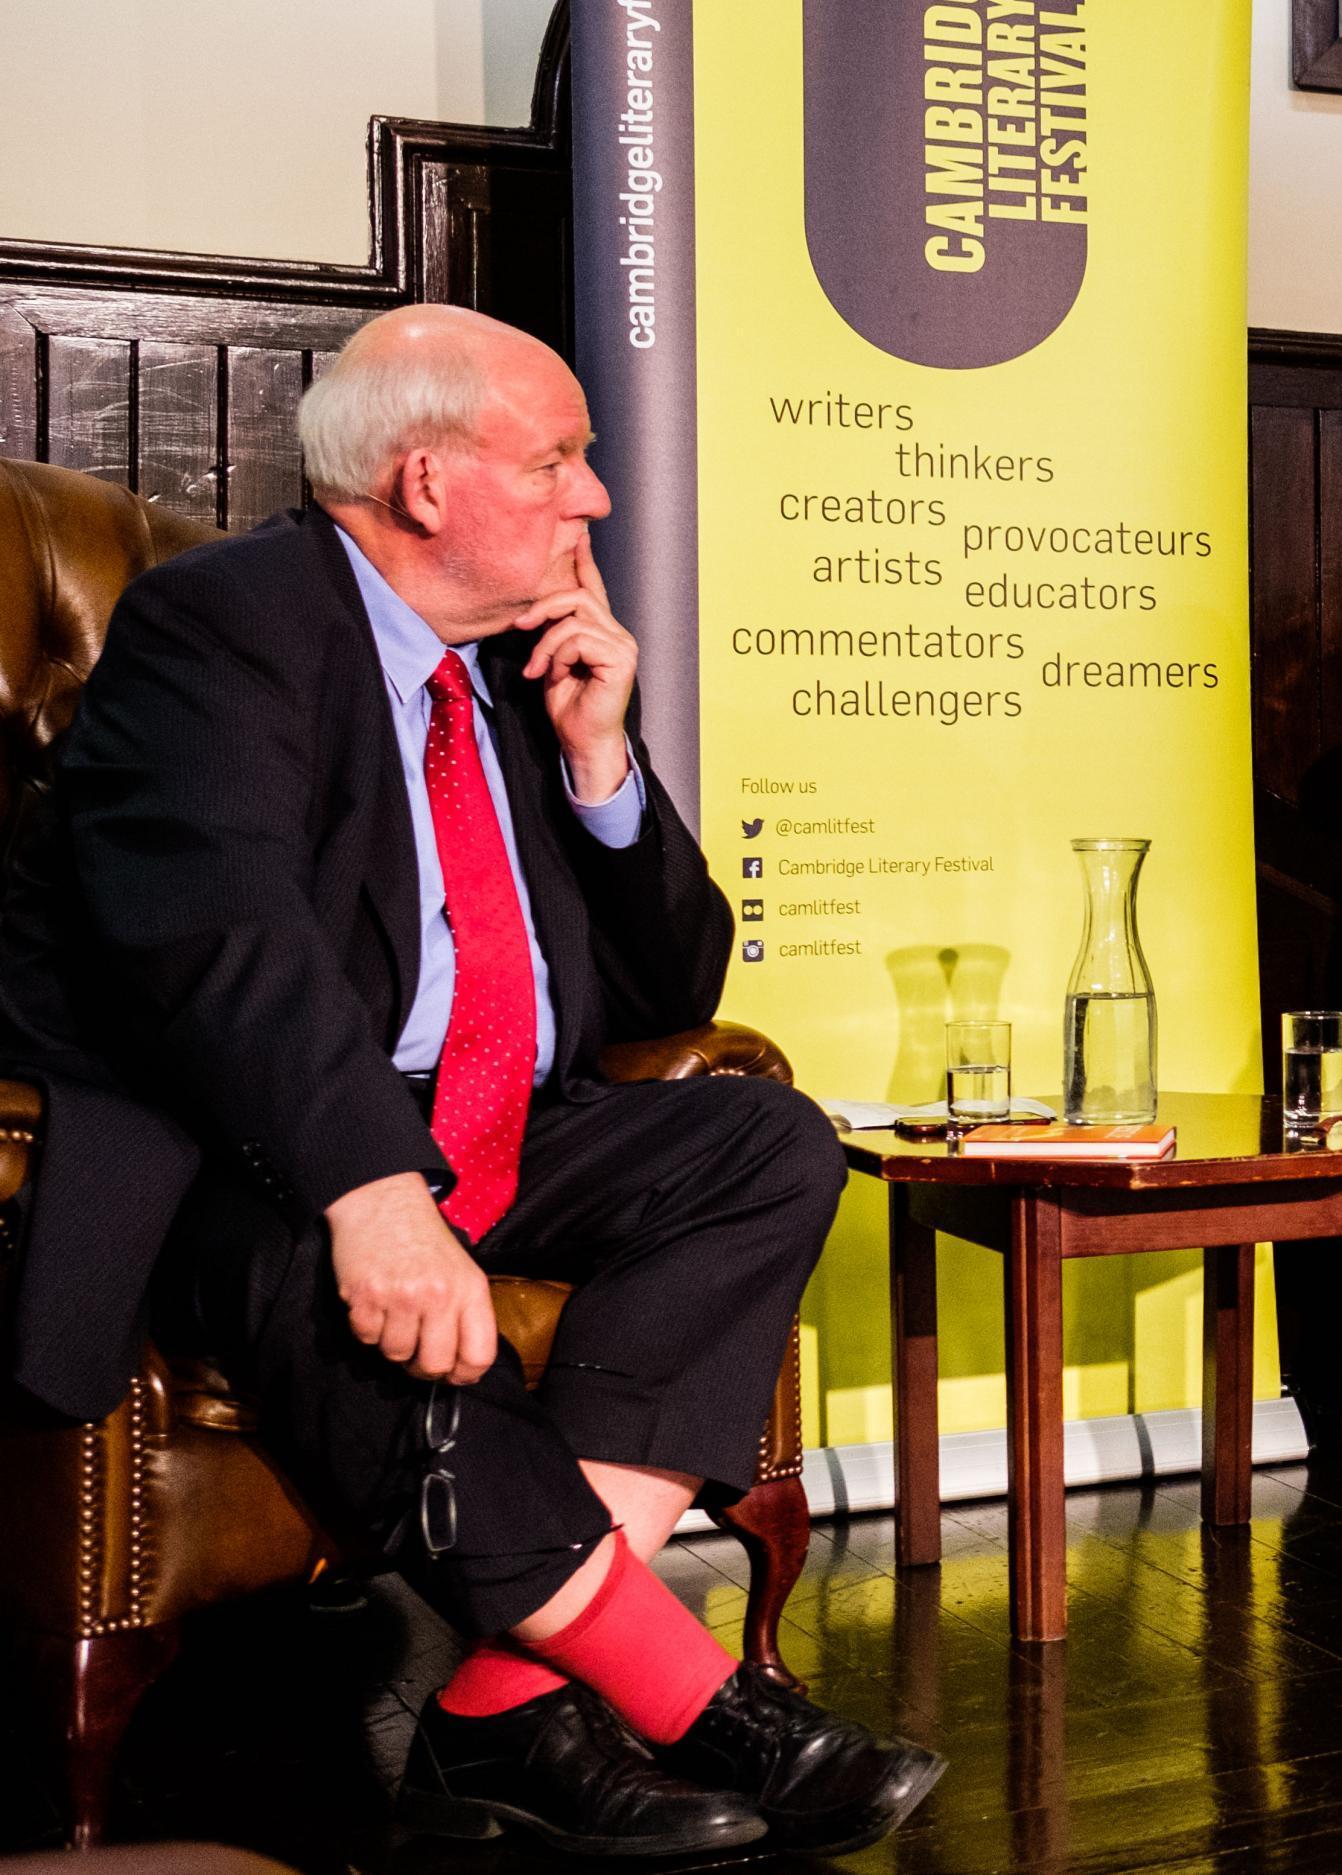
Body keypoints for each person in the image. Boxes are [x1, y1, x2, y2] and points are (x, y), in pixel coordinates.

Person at [0, 305, 944, 1854]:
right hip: (243, 1133)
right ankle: (697, 1694)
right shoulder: (223, 622)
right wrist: (377, 1190)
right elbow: (217, 942)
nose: (596, 499)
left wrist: (599, 757)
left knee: (765, 1137)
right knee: (331, 1247)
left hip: (490, 1117)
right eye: (560, 458)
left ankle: (503, 1701)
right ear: (427, 482)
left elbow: (665, 990)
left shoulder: (502, 673)